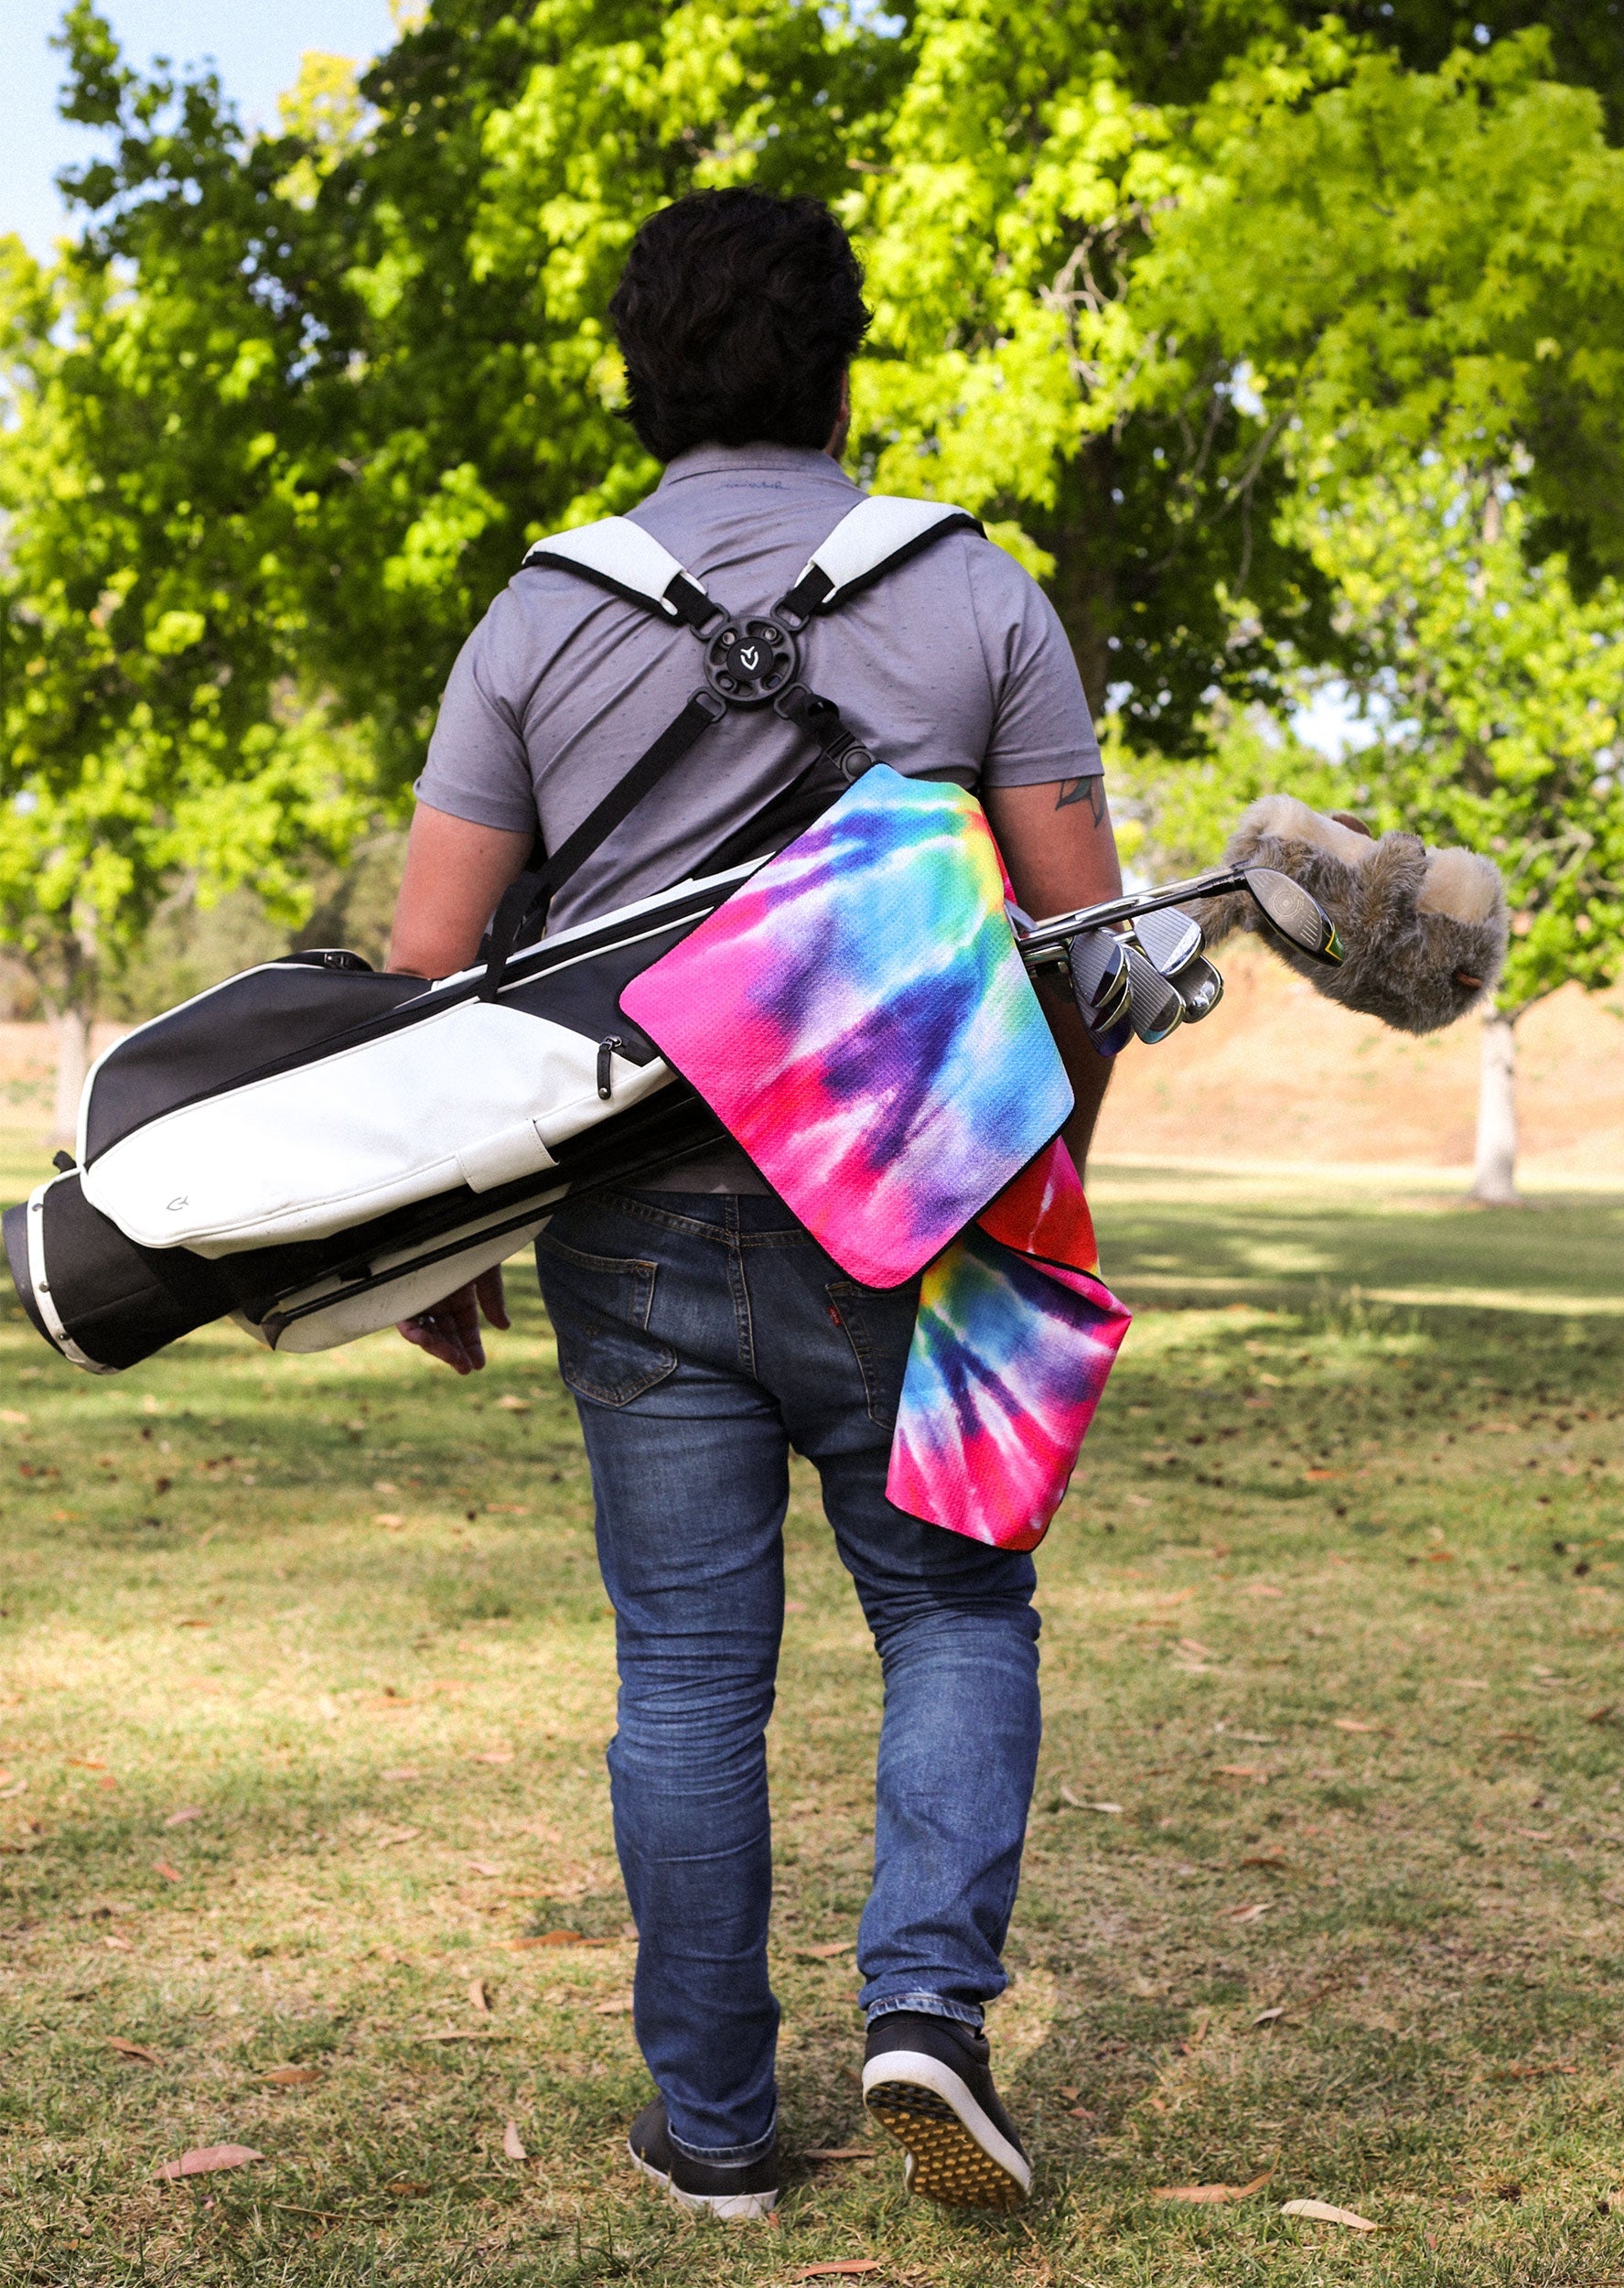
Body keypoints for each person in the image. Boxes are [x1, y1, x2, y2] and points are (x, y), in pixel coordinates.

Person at [385, 188, 1122, 2221]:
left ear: (637, 374)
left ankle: (713, 2122)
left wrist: (437, 1250)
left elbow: (431, 967)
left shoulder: (536, 616)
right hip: (920, 1202)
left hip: (631, 1221)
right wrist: (1051, 1175)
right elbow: (1090, 944)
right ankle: (923, 2009)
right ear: (841, 364)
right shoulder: (976, 594)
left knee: (686, 1677)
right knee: (955, 1603)